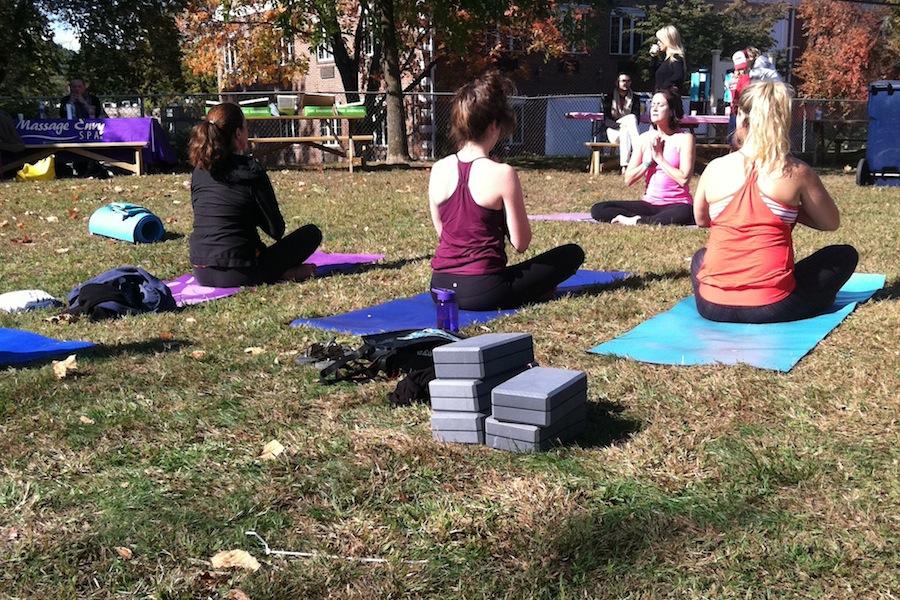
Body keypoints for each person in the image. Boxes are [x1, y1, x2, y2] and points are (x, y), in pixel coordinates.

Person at [691, 81, 858, 323]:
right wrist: (789, 210)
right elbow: (830, 223)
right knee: (844, 255)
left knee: (701, 256)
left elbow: (702, 219)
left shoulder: (715, 168)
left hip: (711, 305)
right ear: (784, 122)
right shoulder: (796, 171)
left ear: (741, 116)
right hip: (771, 306)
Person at [429, 72, 585, 311]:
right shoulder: (503, 173)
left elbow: (444, 232)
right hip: (484, 291)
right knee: (571, 254)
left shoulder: (438, 169)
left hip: (440, 288)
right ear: (494, 126)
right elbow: (521, 243)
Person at [188, 102, 322, 287]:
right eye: (245, 127)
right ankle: (283, 273)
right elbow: (276, 230)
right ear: (237, 134)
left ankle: (281, 272)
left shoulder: (199, 172)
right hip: (241, 271)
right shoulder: (250, 170)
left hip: (201, 270)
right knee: (311, 233)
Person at [591, 88, 695, 226]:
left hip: (677, 204)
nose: (654, 109)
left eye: (660, 105)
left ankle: (639, 220)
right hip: (649, 204)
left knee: (685, 213)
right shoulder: (644, 139)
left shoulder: (684, 138)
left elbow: (684, 179)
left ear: (671, 111)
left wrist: (659, 158)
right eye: (653, 105)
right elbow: (628, 179)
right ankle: (640, 220)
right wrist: (646, 163)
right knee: (599, 209)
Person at [603, 73, 642, 175]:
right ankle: (640, 153)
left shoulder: (635, 98)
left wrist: (624, 126)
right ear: (617, 83)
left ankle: (625, 167)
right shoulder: (609, 97)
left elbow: (637, 118)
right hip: (613, 130)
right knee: (629, 120)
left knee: (629, 123)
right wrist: (619, 125)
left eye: (628, 81)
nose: (626, 83)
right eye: (623, 81)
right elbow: (606, 120)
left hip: (628, 130)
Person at [650, 25, 686, 118]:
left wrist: (663, 88)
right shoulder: (666, 60)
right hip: (660, 101)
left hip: (669, 104)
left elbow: (678, 76)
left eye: (660, 40)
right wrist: (654, 57)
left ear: (668, 41)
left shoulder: (676, 58)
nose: (658, 43)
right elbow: (653, 74)